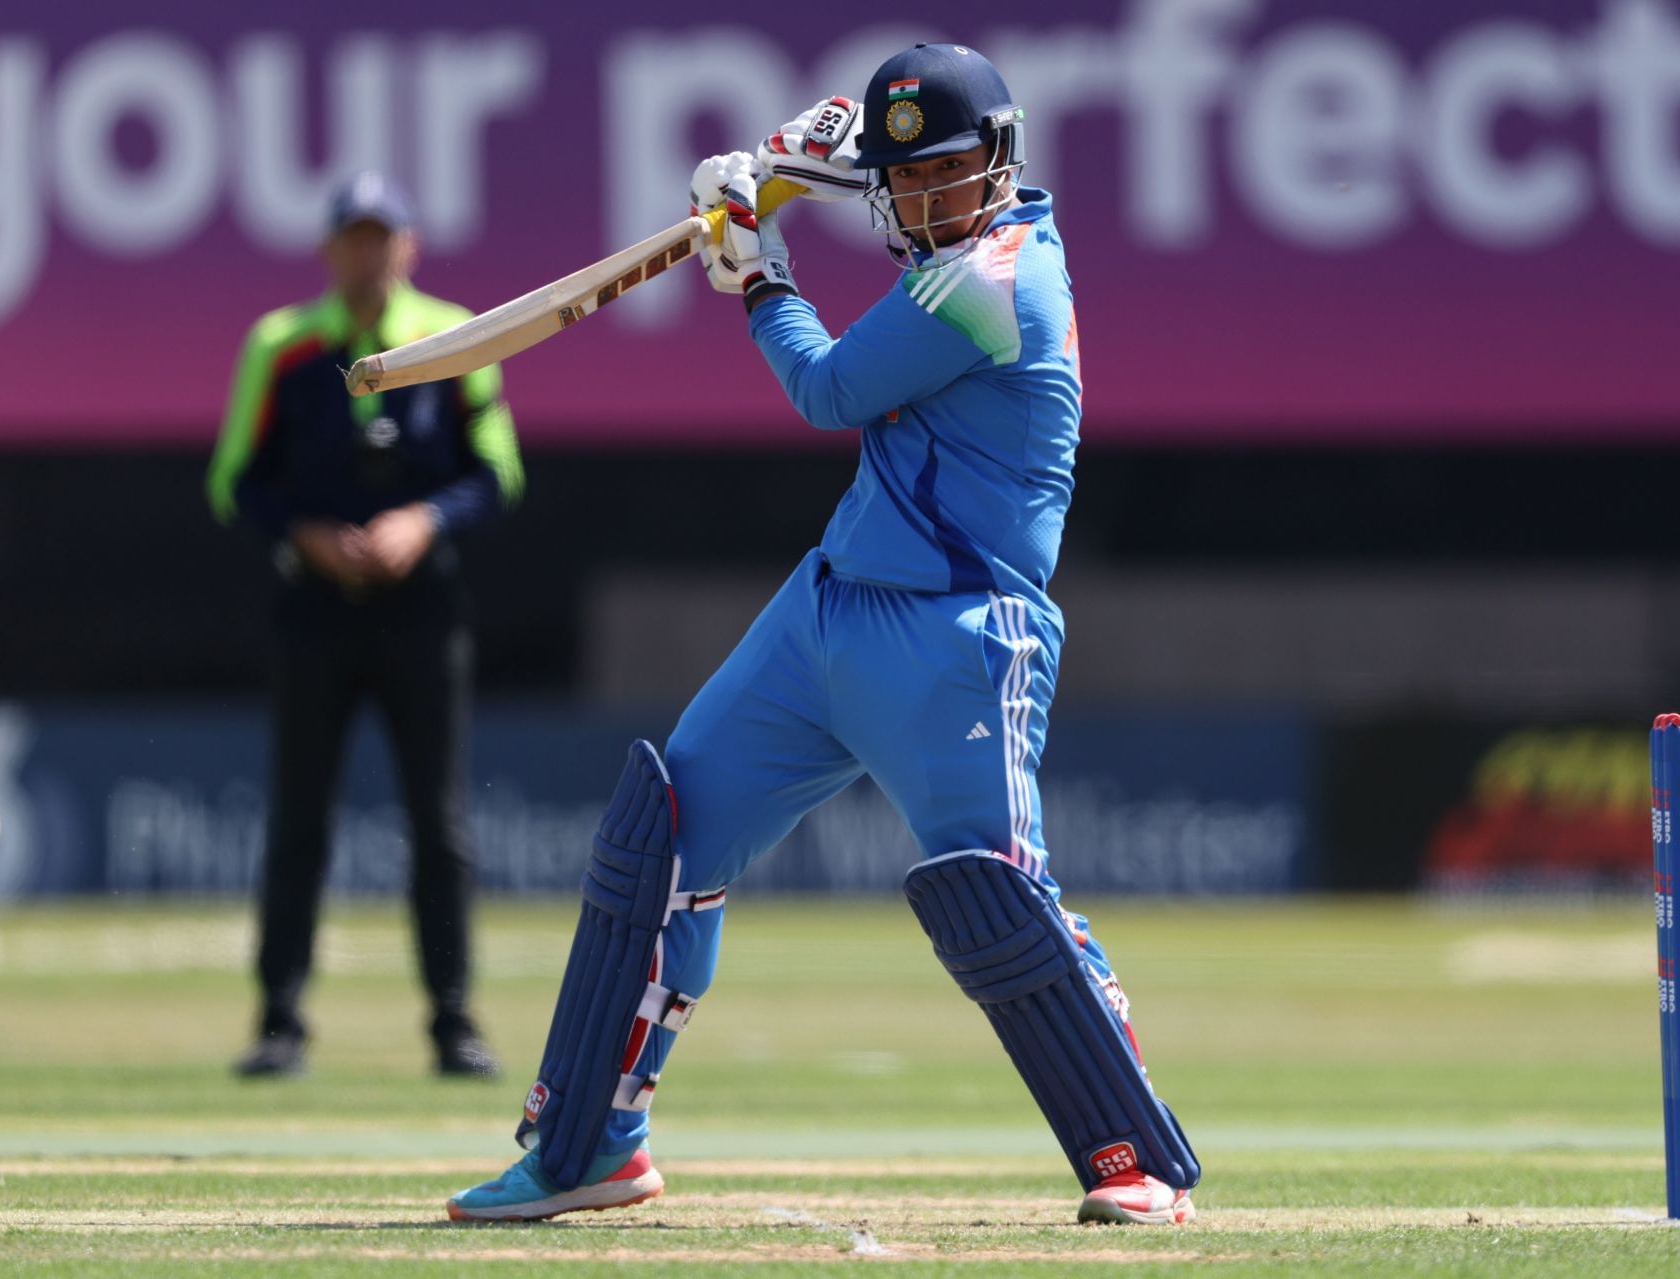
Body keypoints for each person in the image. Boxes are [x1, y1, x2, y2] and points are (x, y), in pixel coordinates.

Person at [446, 43, 1199, 1224]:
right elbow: (854, 164)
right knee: (665, 840)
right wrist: (785, 177)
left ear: (1001, 163)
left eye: (951, 175)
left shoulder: (996, 277)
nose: (930, 202)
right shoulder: (939, 245)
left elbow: (831, 389)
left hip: (958, 635)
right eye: (907, 184)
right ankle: (593, 1145)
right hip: (826, 610)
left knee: (998, 891)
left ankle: (1132, 1158)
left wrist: (756, 261)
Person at [206, 173, 523, 1079]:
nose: (368, 252)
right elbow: (235, 480)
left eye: (382, 236)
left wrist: (420, 523)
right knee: (299, 817)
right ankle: (278, 1021)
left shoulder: (455, 337)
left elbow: (496, 471)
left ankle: (455, 1022)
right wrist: (306, 535)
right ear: (327, 249)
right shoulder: (283, 345)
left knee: (440, 822)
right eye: (353, 236)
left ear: (409, 247)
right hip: (314, 611)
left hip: (423, 610)